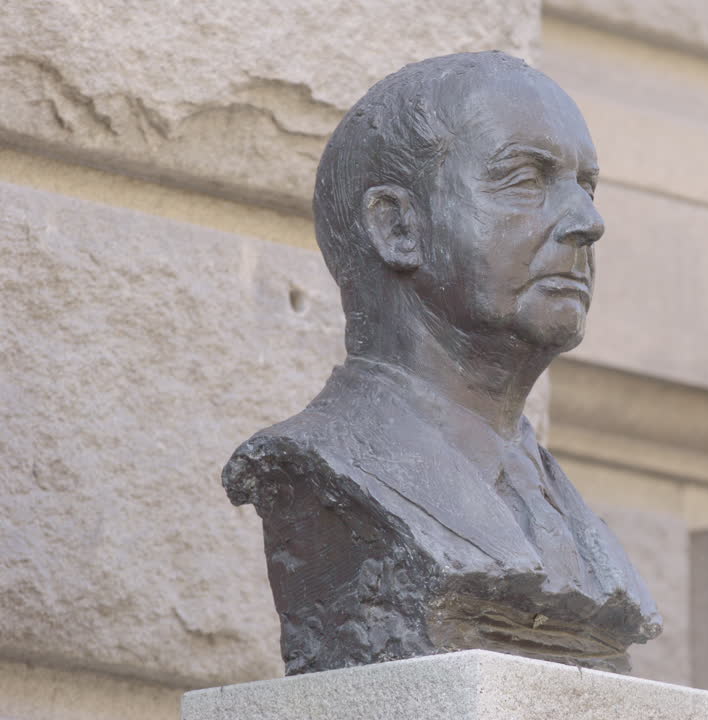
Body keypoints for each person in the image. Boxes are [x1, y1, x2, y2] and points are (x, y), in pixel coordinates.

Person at [223, 51, 660, 676]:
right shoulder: (323, 470)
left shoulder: (573, 523)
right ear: (398, 226)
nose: (589, 223)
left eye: (586, 187)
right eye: (526, 179)